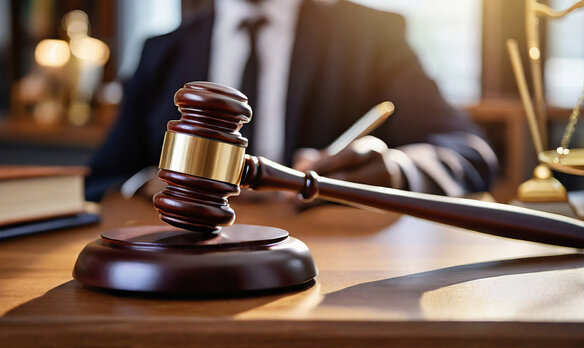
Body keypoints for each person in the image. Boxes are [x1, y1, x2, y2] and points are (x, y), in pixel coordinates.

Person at [86, 0, 498, 201]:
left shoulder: (372, 38)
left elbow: (469, 151)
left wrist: (397, 173)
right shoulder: (163, 52)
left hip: (328, 273)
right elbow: (104, 177)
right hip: (184, 265)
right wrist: (148, 184)